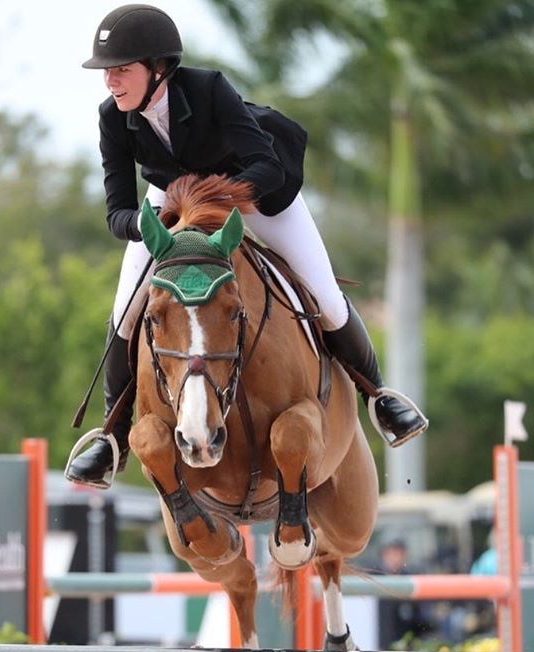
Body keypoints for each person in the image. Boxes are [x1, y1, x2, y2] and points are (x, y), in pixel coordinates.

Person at [67, 3, 428, 488]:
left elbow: (266, 165)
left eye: (121, 71)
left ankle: (379, 398)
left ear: (158, 69)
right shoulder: (113, 117)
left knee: (323, 295)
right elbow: (116, 212)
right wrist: (151, 227)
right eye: (107, 72)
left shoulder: (209, 89)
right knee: (127, 309)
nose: (111, 82)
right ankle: (110, 437)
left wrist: (215, 204)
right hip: (173, 196)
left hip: (254, 192)